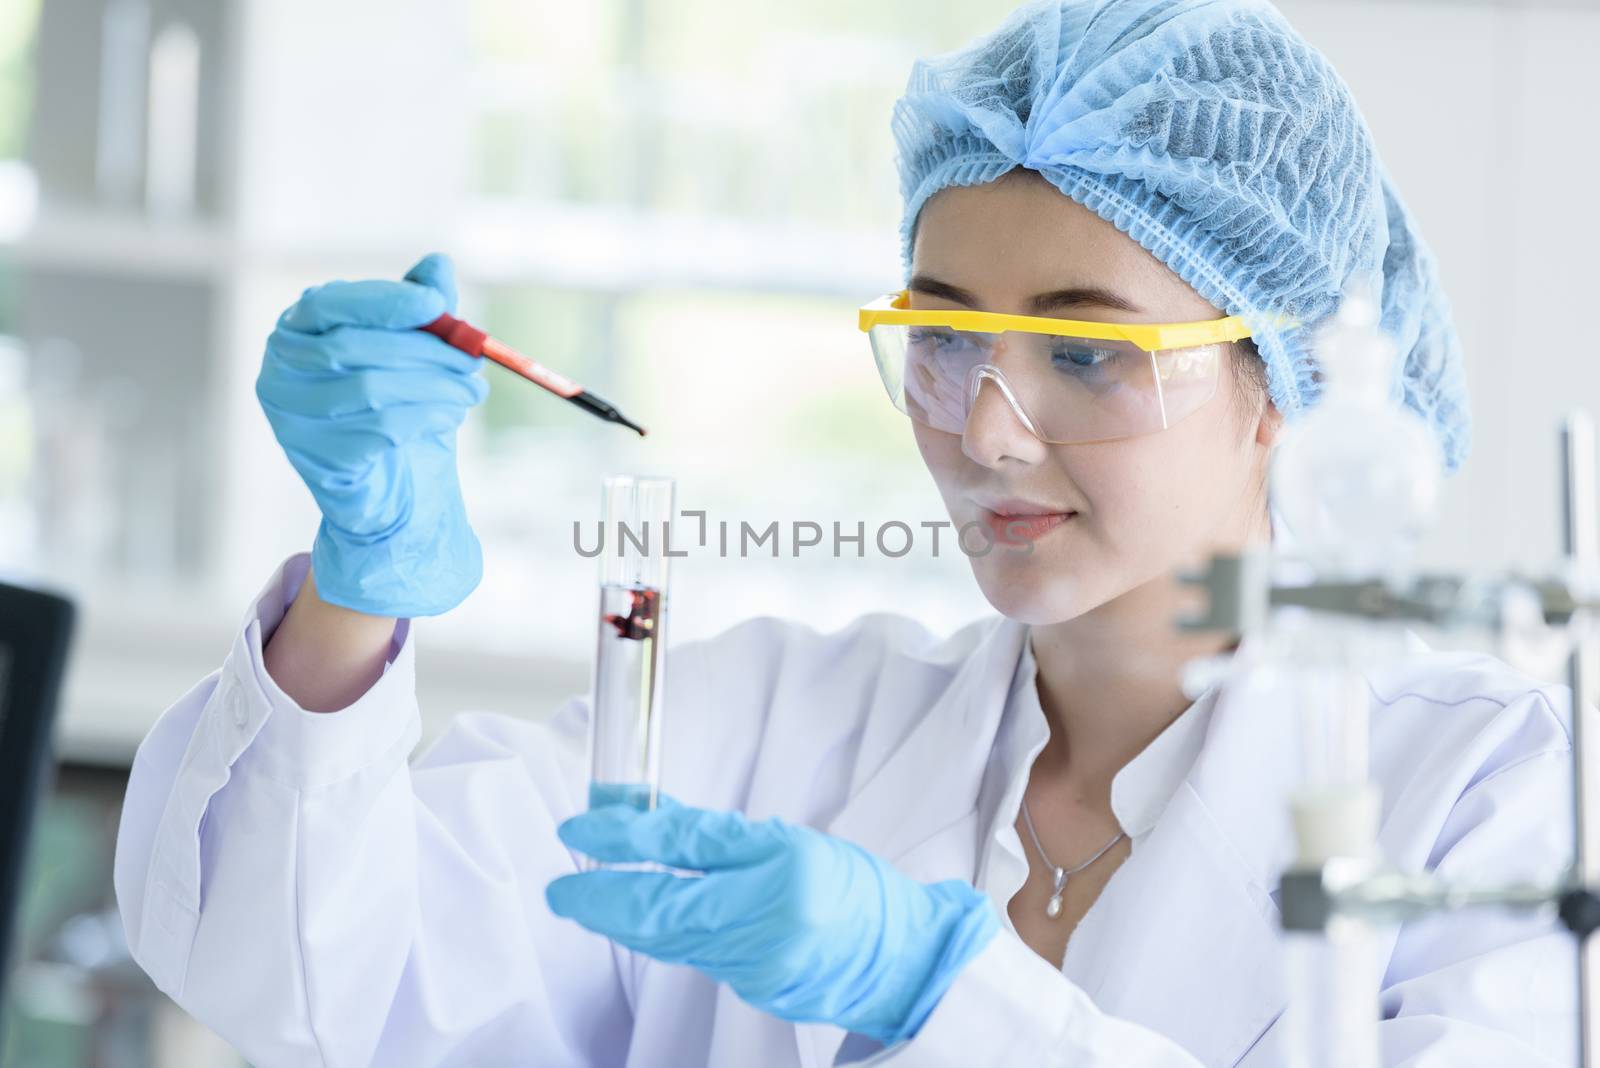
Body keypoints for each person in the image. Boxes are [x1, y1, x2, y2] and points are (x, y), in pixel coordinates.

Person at [114, 1, 1576, 1065]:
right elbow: (314, 981)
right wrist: (354, 601)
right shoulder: (766, 723)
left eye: (1085, 351)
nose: (987, 431)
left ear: (1287, 378)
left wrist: (940, 990)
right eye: (943, 344)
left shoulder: (1490, 790)